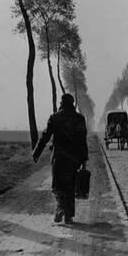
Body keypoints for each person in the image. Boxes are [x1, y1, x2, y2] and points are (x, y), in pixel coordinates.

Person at [32, 93, 89, 224]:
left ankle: (60, 208)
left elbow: (45, 136)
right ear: (72, 104)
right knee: (71, 185)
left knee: (57, 185)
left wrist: (36, 152)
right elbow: (82, 140)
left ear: (62, 103)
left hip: (59, 157)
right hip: (74, 158)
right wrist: (84, 159)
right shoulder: (79, 119)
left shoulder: (55, 117)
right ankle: (69, 216)